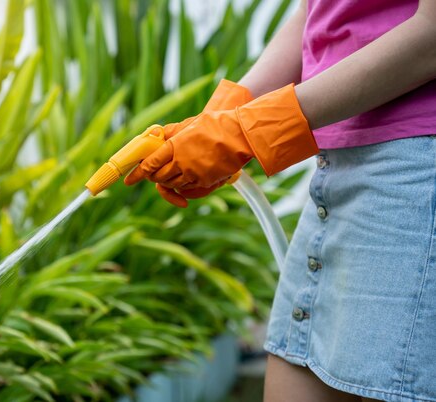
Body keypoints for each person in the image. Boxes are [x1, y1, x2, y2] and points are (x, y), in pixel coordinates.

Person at [124, 0, 436, 401]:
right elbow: (319, 10)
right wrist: (225, 116)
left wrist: (253, 128)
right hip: (337, 168)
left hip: (412, 174)